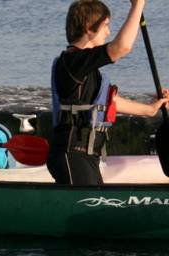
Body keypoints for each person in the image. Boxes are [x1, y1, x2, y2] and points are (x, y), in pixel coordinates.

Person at [48, 0, 169, 185]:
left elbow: (108, 102)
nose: (108, 32)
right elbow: (122, 47)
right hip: (71, 153)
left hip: (87, 156)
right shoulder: (72, 63)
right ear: (89, 29)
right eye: (106, 25)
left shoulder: (86, 68)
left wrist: (150, 110)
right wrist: (137, 6)